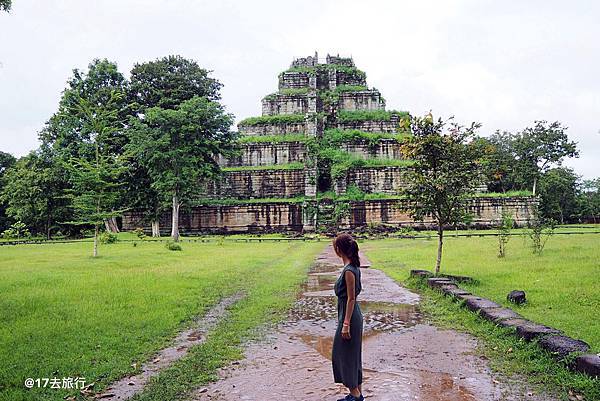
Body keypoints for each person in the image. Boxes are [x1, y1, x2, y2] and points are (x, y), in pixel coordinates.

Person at [331, 233, 364, 401]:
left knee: (342, 354)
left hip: (350, 317)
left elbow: (351, 298)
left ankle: (356, 395)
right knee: (351, 354)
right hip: (350, 315)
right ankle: (356, 391)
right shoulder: (351, 268)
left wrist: (345, 324)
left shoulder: (349, 271)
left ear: (339, 250)